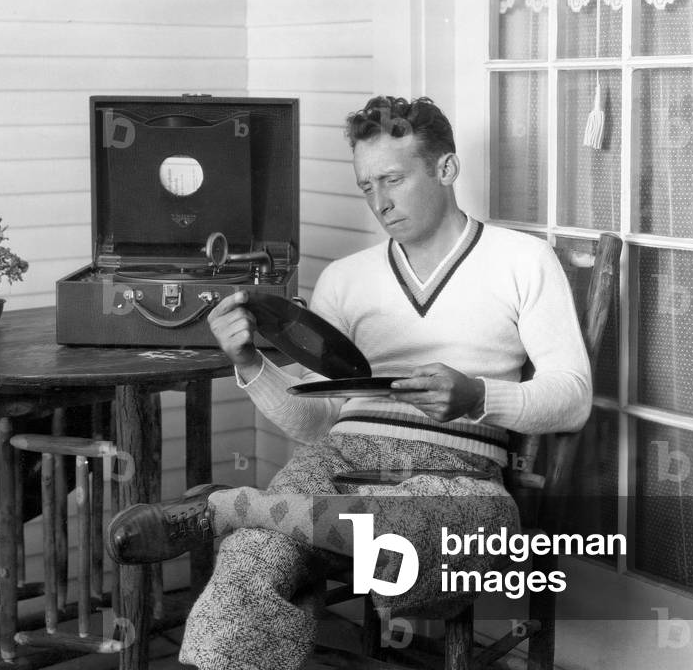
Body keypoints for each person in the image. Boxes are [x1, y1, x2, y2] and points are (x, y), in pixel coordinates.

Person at [107, 95, 591, 670]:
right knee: (251, 561)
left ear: (446, 169)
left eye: (392, 179)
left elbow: (573, 398)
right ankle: (255, 523)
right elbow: (312, 420)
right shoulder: (345, 280)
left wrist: (478, 396)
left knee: (455, 531)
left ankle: (233, 507)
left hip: (455, 472)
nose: (380, 203)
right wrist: (249, 363)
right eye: (366, 186)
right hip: (338, 461)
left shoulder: (522, 260)